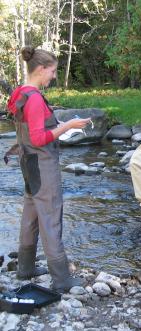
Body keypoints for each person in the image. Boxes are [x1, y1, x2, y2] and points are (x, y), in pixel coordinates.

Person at [7, 46, 91, 292]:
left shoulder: (20, 93)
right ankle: (62, 279)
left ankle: (25, 268)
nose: (53, 76)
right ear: (41, 69)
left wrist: (57, 123)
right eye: (52, 71)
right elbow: (38, 138)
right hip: (43, 166)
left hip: (28, 164)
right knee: (51, 218)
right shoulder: (33, 98)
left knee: (31, 214)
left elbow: (33, 130)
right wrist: (69, 126)